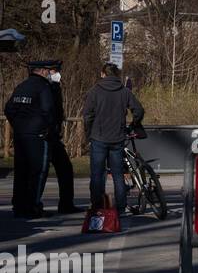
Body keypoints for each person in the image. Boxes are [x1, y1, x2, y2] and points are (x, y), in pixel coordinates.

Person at [81, 63, 144, 213]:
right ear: (116, 75)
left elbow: (87, 115)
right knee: (117, 174)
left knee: (97, 174)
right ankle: (121, 207)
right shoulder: (124, 91)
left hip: (98, 137)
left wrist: (89, 134)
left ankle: (97, 206)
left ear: (103, 74)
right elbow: (139, 110)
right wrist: (134, 124)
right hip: (117, 138)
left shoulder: (95, 91)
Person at [4, 60, 56, 219]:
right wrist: (46, 128)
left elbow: (8, 109)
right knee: (38, 171)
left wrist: (17, 125)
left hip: (20, 135)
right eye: (47, 71)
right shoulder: (43, 87)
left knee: (21, 172)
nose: (49, 73)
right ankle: (33, 205)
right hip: (37, 136)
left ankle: (19, 205)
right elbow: (48, 110)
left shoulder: (22, 86)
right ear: (40, 71)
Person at [38, 60, 77, 215]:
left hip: (53, 135)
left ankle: (66, 204)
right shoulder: (46, 88)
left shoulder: (54, 87)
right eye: (53, 71)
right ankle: (35, 203)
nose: (57, 74)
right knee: (42, 171)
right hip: (47, 135)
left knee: (65, 169)